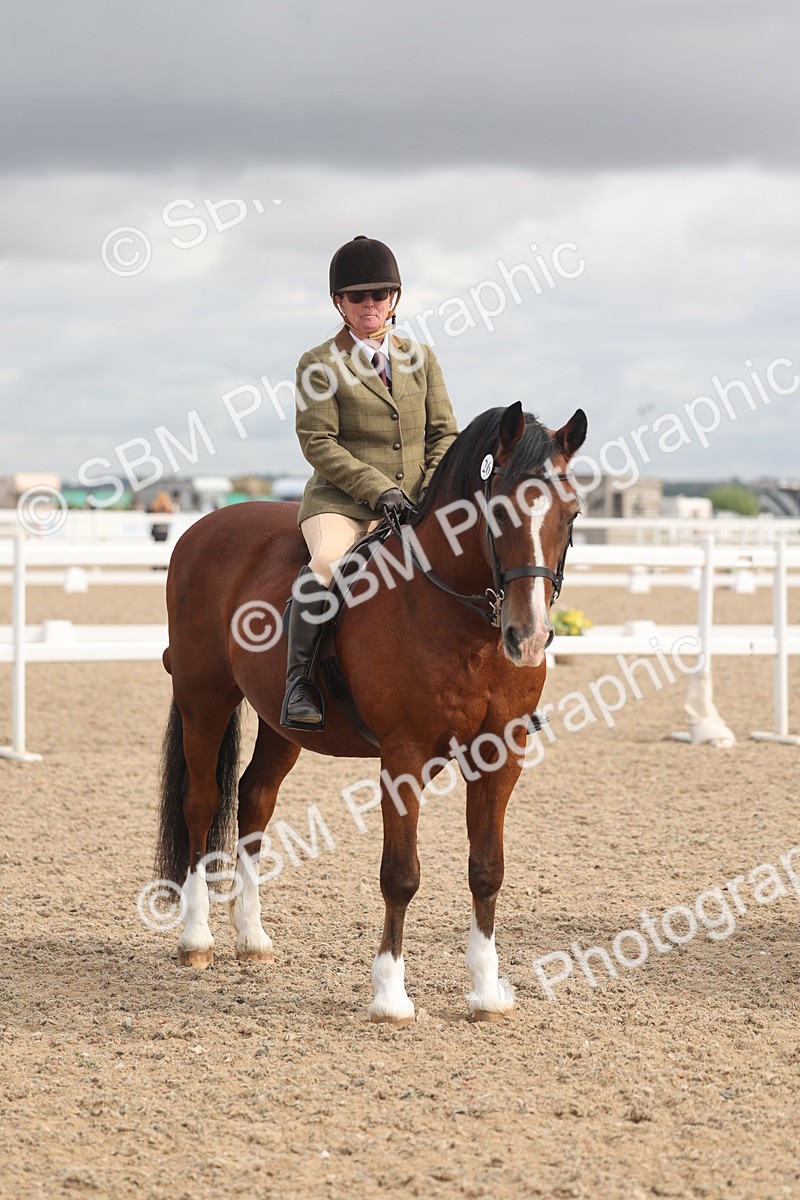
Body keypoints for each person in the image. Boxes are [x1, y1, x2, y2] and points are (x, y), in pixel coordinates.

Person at [281, 234, 459, 729]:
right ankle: (299, 683)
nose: (369, 305)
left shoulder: (421, 358)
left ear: (395, 299)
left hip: (416, 499)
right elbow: (319, 442)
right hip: (341, 503)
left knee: (476, 558)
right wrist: (379, 489)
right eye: (357, 296)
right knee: (327, 564)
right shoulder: (318, 364)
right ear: (339, 303)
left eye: (379, 294)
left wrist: (429, 488)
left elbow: (444, 431)